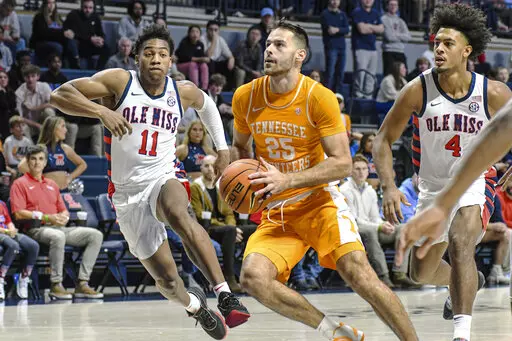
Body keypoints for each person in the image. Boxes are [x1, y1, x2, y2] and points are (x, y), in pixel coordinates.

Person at [50, 24, 249, 339]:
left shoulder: (180, 91)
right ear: (136, 58)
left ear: (171, 61)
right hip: (127, 194)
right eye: (149, 53)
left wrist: (222, 148)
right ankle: (196, 307)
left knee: (178, 212)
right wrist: (101, 112)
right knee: (168, 282)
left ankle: (225, 293)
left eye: (162, 54)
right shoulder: (119, 81)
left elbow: (208, 106)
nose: (156, 59)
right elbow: (59, 94)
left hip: (164, 175)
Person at [231, 21, 418, 341]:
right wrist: (242, 182)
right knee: (252, 277)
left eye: (279, 45)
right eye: (268, 44)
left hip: (320, 203)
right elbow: (239, 147)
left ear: (299, 55)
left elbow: (344, 163)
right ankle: (337, 333)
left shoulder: (319, 97)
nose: (269, 50)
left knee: (359, 274)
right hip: (278, 210)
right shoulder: (245, 96)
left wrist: (287, 179)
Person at [372, 5, 512, 341]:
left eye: (448, 44)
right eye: (436, 42)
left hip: (475, 182)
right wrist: (389, 186)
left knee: (462, 242)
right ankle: (468, 282)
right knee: (420, 272)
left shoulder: (491, 92)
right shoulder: (418, 89)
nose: (439, 48)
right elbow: (382, 140)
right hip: (431, 189)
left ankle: (461, 334)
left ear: (467, 51)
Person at [10, 144, 104, 299]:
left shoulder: (52, 185)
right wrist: (46, 217)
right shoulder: (20, 184)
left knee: (95, 235)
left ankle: (83, 283)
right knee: (57, 236)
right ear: (27, 161)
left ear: (46, 163)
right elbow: (19, 214)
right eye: (33, 159)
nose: (37, 163)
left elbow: (63, 209)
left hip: (58, 227)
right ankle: (56, 285)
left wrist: (64, 216)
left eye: (40, 159)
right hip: (35, 229)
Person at [340, 154, 416, 288]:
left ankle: (399, 273)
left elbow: (375, 217)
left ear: (368, 171)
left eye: (364, 169)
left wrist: (383, 224)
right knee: (370, 231)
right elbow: (354, 219)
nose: (361, 172)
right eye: (357, 169)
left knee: (404, 228)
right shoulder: (345, 190)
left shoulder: (370, 190)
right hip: (352, 230)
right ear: (351, 171)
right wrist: (379, 226)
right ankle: (383, 275)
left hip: (372, 227)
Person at [190, 155, 249, 293]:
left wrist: (234, 228)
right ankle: (229, 277)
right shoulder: (196, 187)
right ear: (201, 168)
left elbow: (229, 213)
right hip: (208, 228)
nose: (210, 169)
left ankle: (253, 275)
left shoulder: (221, 185)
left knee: (255, 229)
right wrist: (230, 229)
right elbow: (199, 214)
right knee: (229, 231)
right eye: (206, 166)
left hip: (227, 229)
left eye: (212, 165)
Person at [18, 116, 87, 191]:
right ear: (53, 128)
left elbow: (83, 165)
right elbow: (21, 166)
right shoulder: (41, 148)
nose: (66, 130)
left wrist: (70, 177)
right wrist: (39, 178)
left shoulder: (65, 148)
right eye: (63, 126)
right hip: (47, 192)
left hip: (64, 191)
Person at [0, 200, 40, 300]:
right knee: (13, 246)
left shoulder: (2, 204)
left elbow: (8, 221)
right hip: (2, 233)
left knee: (33, 246)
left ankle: (24, 278)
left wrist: (12, 230)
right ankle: (1, 279)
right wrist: (6, 231)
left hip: (8, 232)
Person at [29, 0, 80, 69]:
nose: (51, 5)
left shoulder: (57, 17)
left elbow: (64, 29)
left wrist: (68, 33)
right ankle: (56, 68)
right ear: (45, 4)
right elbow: (43, 33)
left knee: (72, 41)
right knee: (58, 47)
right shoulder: (39, 17)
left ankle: (75, 63)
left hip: (57, 42)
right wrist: (62, 33)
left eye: (53, 3)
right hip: (41, 43)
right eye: (49, 3)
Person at [63, 0, 110, 70]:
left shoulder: (95, 17)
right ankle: (75, 70)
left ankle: (98, 71)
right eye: (85, 7)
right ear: (81, 7)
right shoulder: (73, 15)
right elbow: (73, 35)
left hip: (90, 45)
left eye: (90, 8)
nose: (88, 10)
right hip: (78, 45)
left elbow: (101, 33)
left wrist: (101, 39)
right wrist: (90, 39)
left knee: (106, 48)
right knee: (72, 43)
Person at [351, 0, 383, 99]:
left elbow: (381, 29)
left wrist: (368, 26)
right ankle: (358, 96)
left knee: (371, 75)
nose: (368, 1)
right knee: (360, 74)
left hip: (373, 49)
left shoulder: (376, 13)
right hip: (360, 48)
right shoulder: (357, 12)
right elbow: (362, 29)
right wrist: (374, 28)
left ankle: (368, 97)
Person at [15, 64, 55, 140]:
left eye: (33, 76)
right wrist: (37, 125)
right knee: (22, 127)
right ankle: (31, 149)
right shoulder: (19, 93)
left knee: (49, 111)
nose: (30, 79)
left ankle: (50, 143)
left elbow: (54, 104)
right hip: (29, 124)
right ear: (24, 78)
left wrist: (34, 108)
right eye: (27, 77)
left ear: (38, 77)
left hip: (43, 121)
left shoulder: (44, 86)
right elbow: (19, 117)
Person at [320, 0, 350, 93]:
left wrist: (337, 29)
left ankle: (338, 96)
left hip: (342, 47)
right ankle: (327, 95)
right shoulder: (325, 14)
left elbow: (347, 29)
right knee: (330, 73)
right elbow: (330, 30)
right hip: (331, 47)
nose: (335, 2)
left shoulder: (343, 15)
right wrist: (340, 30)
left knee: (340, 73)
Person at [200, 20, 235, 89]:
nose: (213, 32)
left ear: (219, 31)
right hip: (205, 62)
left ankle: (228, 89)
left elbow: (230, 55)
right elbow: (208, 55)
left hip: (216, 63)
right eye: (211, 29)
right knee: (211, 62)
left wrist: (231, 60)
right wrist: (214, 40)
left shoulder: (220, 39)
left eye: (216, 30)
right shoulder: (202, 39)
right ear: (206, 30)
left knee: (231, 64)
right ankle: (209, 87)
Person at [381, 0, 410, 76]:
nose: (393, 6)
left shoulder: (400, 21)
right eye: (391, 4)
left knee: (404, 75)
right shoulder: (383, 19)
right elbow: (389, 37)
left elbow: (408, 37)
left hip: (400, 51)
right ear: (387, 6)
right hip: (389, 51)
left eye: (395, 5)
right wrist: (401, 35)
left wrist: (396, 34)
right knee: (389, 75)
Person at [175, 25, 209, 90]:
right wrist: (201, 59)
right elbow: (185, 58)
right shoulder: (184, 42)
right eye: (193, 32)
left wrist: (205, 59)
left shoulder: (200, 44)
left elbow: (202, 57)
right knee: (192, 64)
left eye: (197, 32)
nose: (195, 34)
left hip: (195, 65)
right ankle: (195, 88)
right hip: (181, 65)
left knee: (204, 65)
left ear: (200, 34)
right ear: (189, 33)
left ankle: (205, 88)